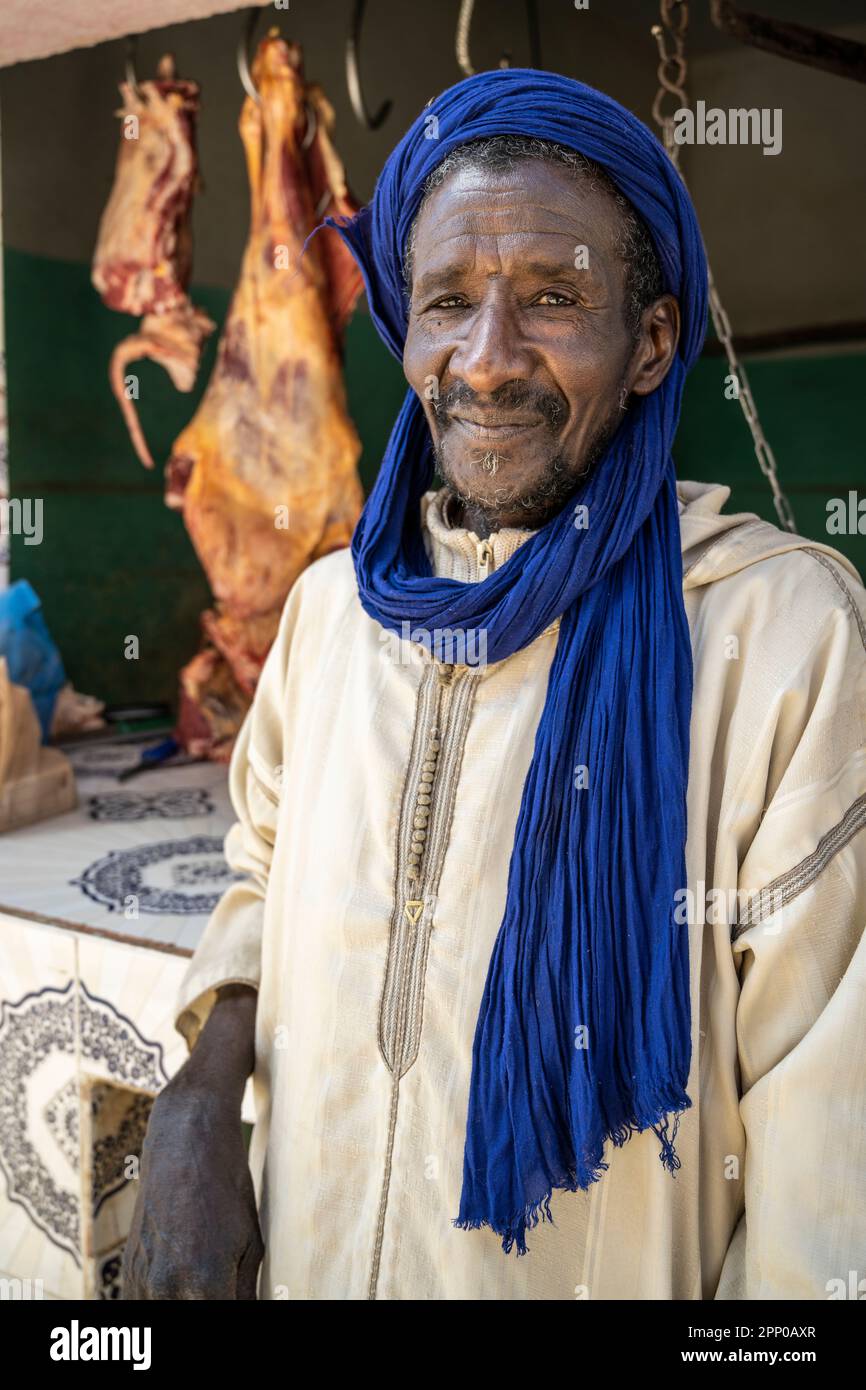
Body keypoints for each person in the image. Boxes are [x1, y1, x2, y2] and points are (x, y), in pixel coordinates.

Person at [122, 70, 866, 1301]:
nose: (488, 360)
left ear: (651, 344)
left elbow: (826, 1181)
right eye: (448, 302)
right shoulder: (330, 614)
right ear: (402, 330)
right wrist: (202, 1090)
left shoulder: (783, 639)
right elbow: (261, 866)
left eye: (554, 300)